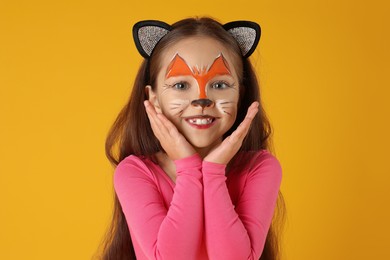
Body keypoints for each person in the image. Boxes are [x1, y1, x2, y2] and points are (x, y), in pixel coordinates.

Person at [97, 17, 286, 260]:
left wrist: (214, 171)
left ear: (241, 93)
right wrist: (189, 168)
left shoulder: (260, 168)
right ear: (153, 98)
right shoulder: (134, 172)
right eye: (180, 86)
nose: (201, 100)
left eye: (219, 84)